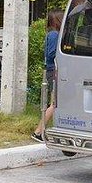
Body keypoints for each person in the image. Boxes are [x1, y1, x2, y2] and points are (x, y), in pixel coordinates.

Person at [31, 9, 63, 142]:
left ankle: (46, 130)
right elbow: (51, 54)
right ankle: (38, 132)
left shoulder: (51, 34)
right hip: (53, 71)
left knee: (55, 102)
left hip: (50, 71)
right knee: (54, 103)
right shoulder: (55, 35)